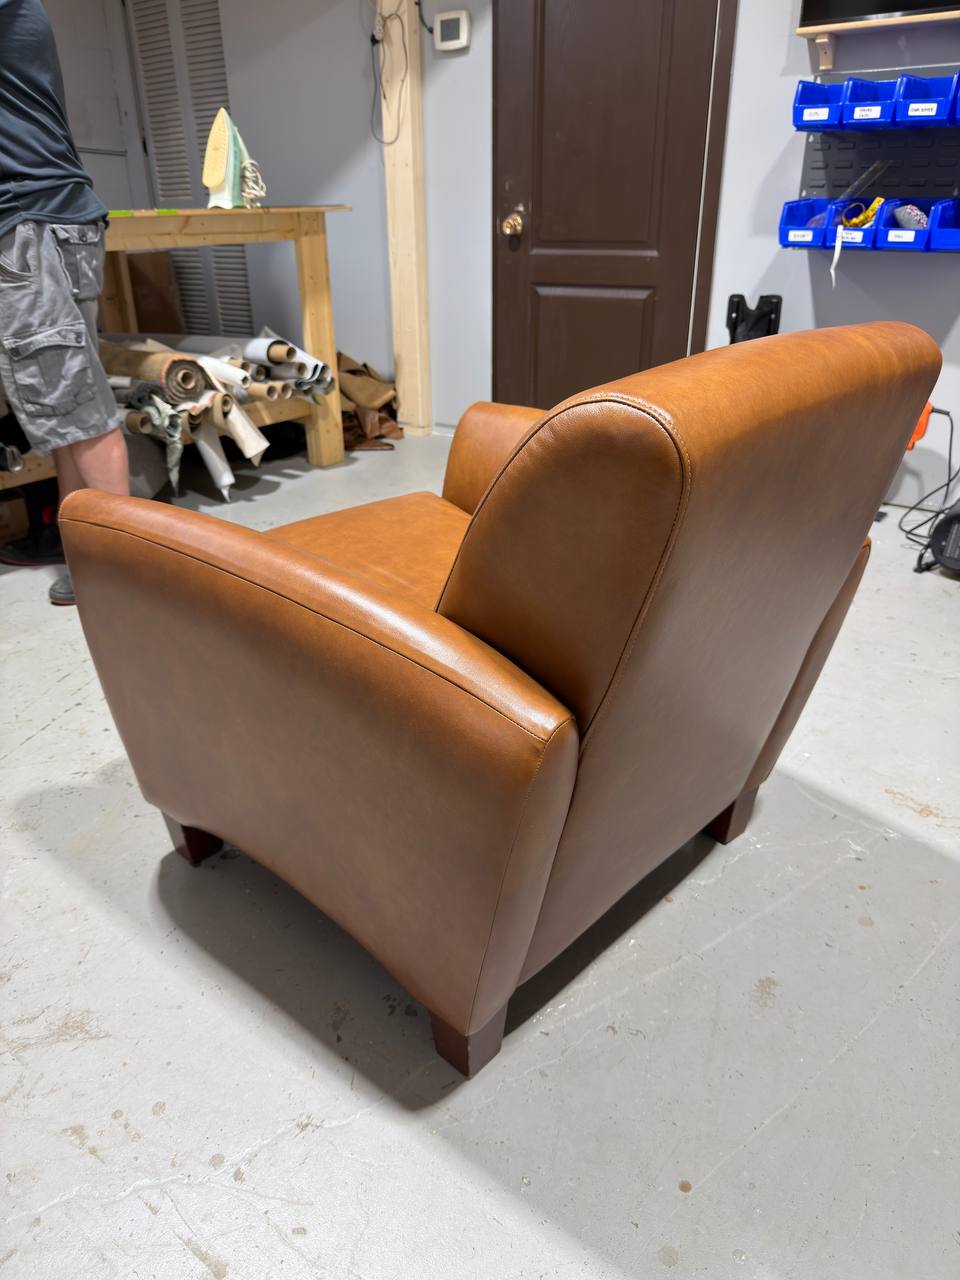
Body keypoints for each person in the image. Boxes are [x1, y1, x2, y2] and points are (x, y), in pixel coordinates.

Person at [0, 0, 128, 605]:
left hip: (25, 226)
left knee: (79, 411)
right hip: (57, 216)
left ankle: (129, 573)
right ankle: (87, 549)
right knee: (73, 411)